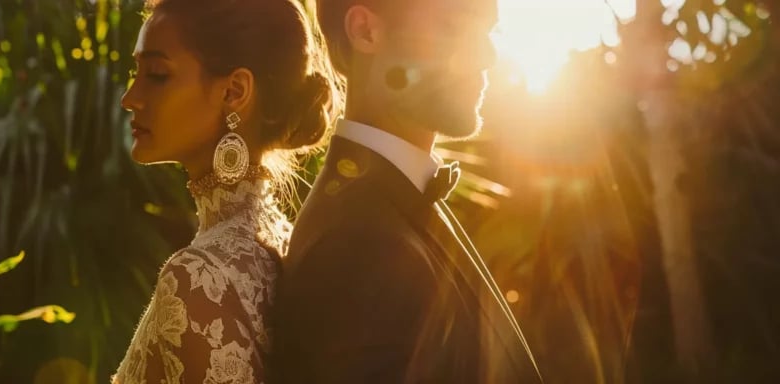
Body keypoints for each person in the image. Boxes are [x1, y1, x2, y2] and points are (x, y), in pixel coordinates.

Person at [272, 0, 543, 382]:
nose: (487, 56)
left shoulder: (400, 196)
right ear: (366, 31)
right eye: (456, 26)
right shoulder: (357, 244)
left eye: (489, 32)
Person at [111, 0, 341, 382]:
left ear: (234, 91)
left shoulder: (196, 278)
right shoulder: (285, 240)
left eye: (155, 74)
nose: (130, 98)